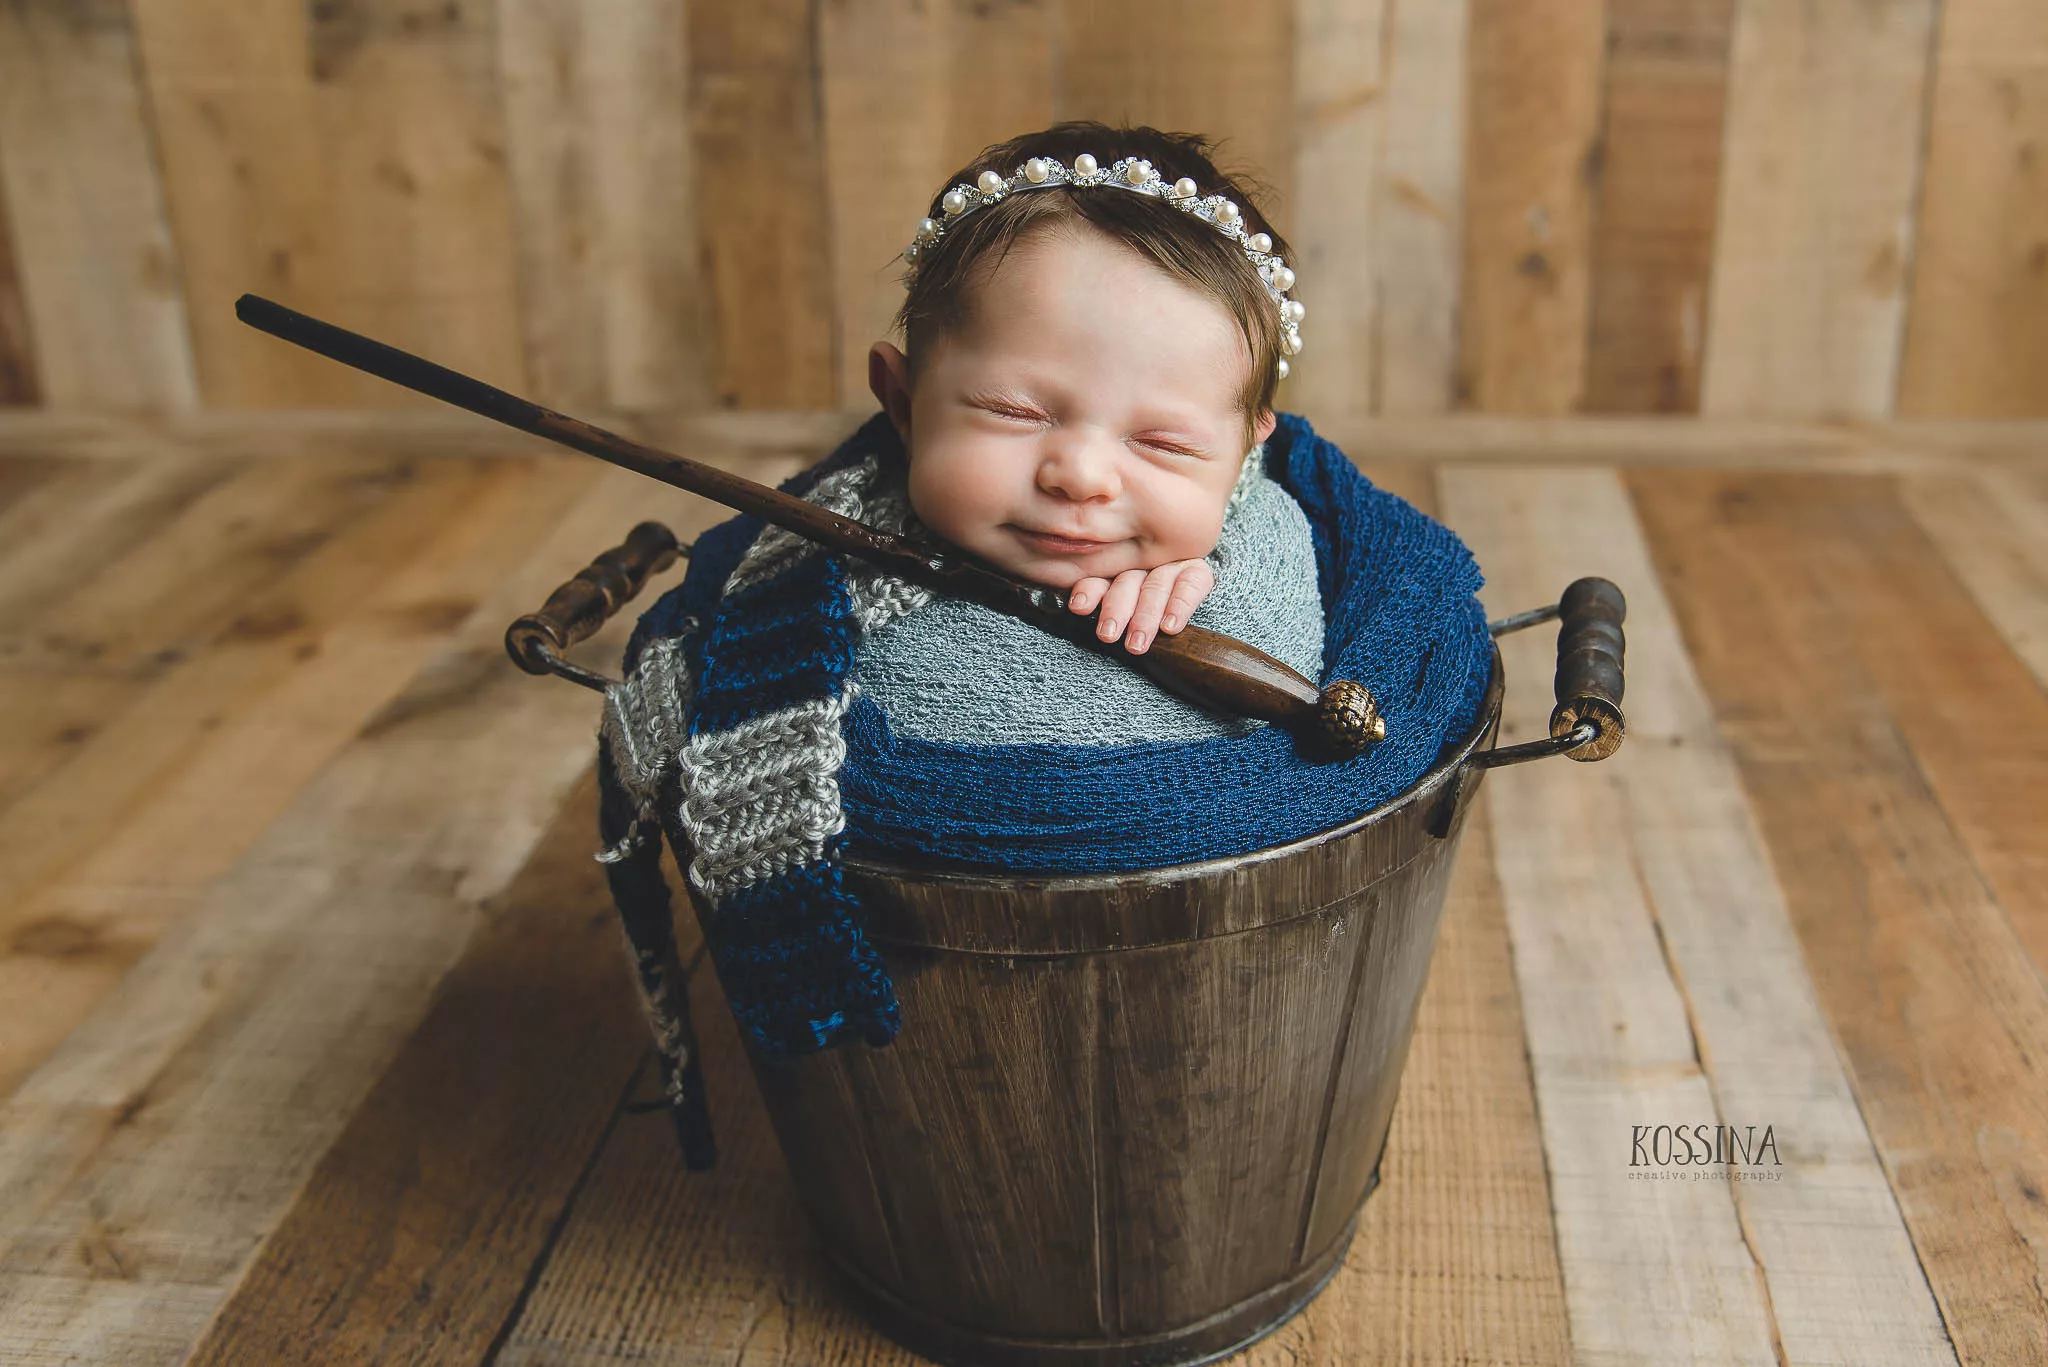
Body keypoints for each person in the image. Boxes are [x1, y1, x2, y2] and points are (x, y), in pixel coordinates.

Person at [846, 120, 1326, 748]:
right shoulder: (816, 564)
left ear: (1240, 460)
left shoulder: (1253, 560)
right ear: (903, 405)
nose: (1080, 476)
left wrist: (1207, 593)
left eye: (1165, 446)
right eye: (1014, 411)